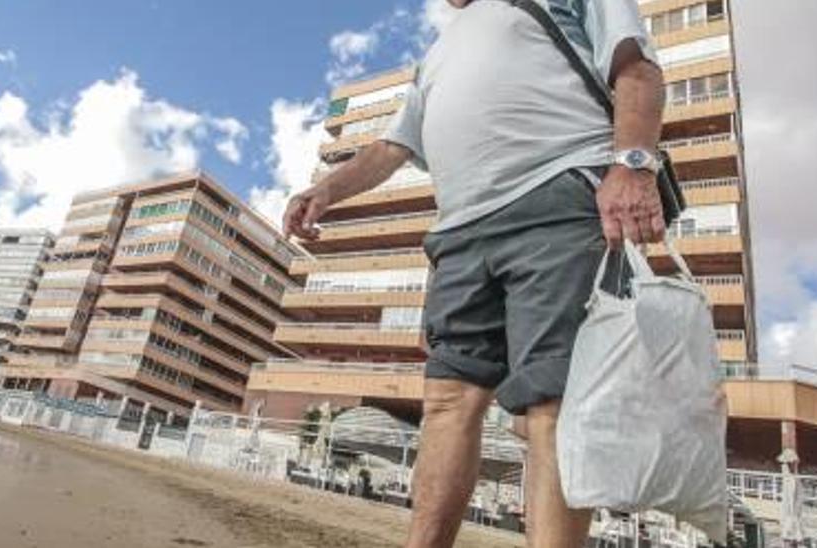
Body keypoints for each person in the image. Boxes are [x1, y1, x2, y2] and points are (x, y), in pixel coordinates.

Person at [281, 1, 665, 546]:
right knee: (445, 402)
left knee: (549, 406)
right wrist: (326, 189)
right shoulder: (437, 53)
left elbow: (636, 68)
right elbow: (393, 146)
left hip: (555, 198)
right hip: (460, 231)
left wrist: (632, 166)